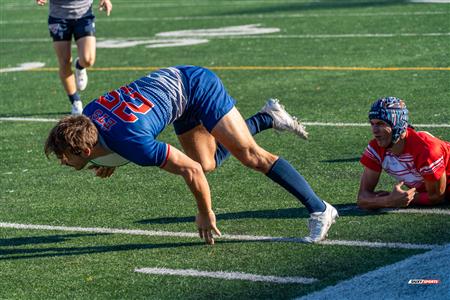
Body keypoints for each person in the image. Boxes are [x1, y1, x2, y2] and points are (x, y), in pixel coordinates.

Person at [45, 65, 338, 245]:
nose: (62, 161)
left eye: (64, 155)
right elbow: (115, 133)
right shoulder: (90, 116)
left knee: (251, 156)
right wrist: (112, 160)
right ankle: (266, 118)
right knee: (206, 163)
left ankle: (320, 209)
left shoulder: (131, 142)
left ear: (84, 150)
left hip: (197, 86)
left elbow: (189, 172)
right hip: (177, 92)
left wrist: (204, 212)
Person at [358, 97, 450, 210]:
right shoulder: (376, 148)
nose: (374, 130)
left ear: (398, 125)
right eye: (372, 124)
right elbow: (362, 198)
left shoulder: (427, 150)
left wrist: (400, 199)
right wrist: (388, 200)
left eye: (381, 124)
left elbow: (436, 196)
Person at [36, 0, 113, 115]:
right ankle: (75, 101)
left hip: (84, 15)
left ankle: (80, 66)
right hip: (58, 17)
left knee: (88, 59)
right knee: (64, 61)